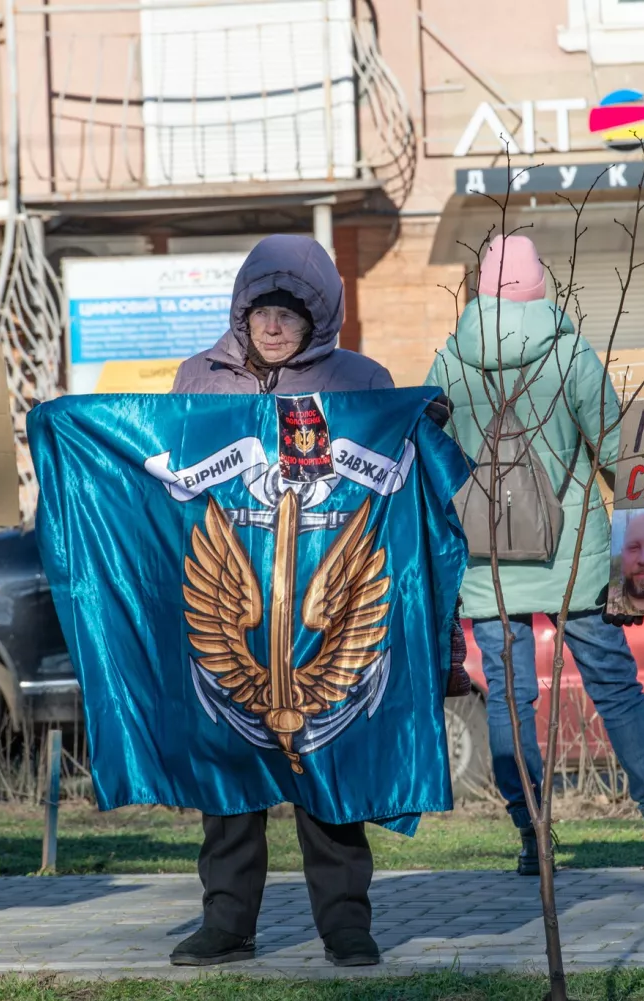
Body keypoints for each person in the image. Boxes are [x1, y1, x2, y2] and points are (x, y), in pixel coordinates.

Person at [427, 234, 644, 877]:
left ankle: (533, 839)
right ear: (542, 288)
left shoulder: (449, 363)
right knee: (615, 689)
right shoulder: (571, 357)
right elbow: (619, 457)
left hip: (487, 561)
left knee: (509, 699)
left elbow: (430, 457)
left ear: (479, 292)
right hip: (576, 560)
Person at [169, 234, 391, 968]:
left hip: (324, 607)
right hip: (232, 603)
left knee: (327, 775)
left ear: (318, 319)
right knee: (229, 778)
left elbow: (396, 482)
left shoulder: (361, 379)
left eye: (291, 312)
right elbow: (163, 482)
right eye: (262, 308)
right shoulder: (197, 377)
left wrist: (419, 424)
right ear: (242, 310)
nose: (273, 324)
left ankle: (347, 924)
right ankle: (226, 921)